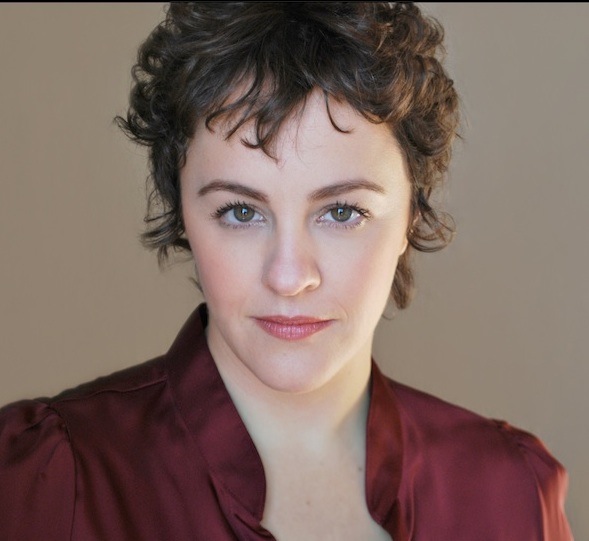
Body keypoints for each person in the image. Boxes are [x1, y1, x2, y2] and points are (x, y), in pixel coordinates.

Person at [0, 2, 573, 540]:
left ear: (410, 217)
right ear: (183, 215)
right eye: (241, 212)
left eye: (342, 212)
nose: (289, 276)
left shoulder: (510, 493)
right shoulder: (47, 480)